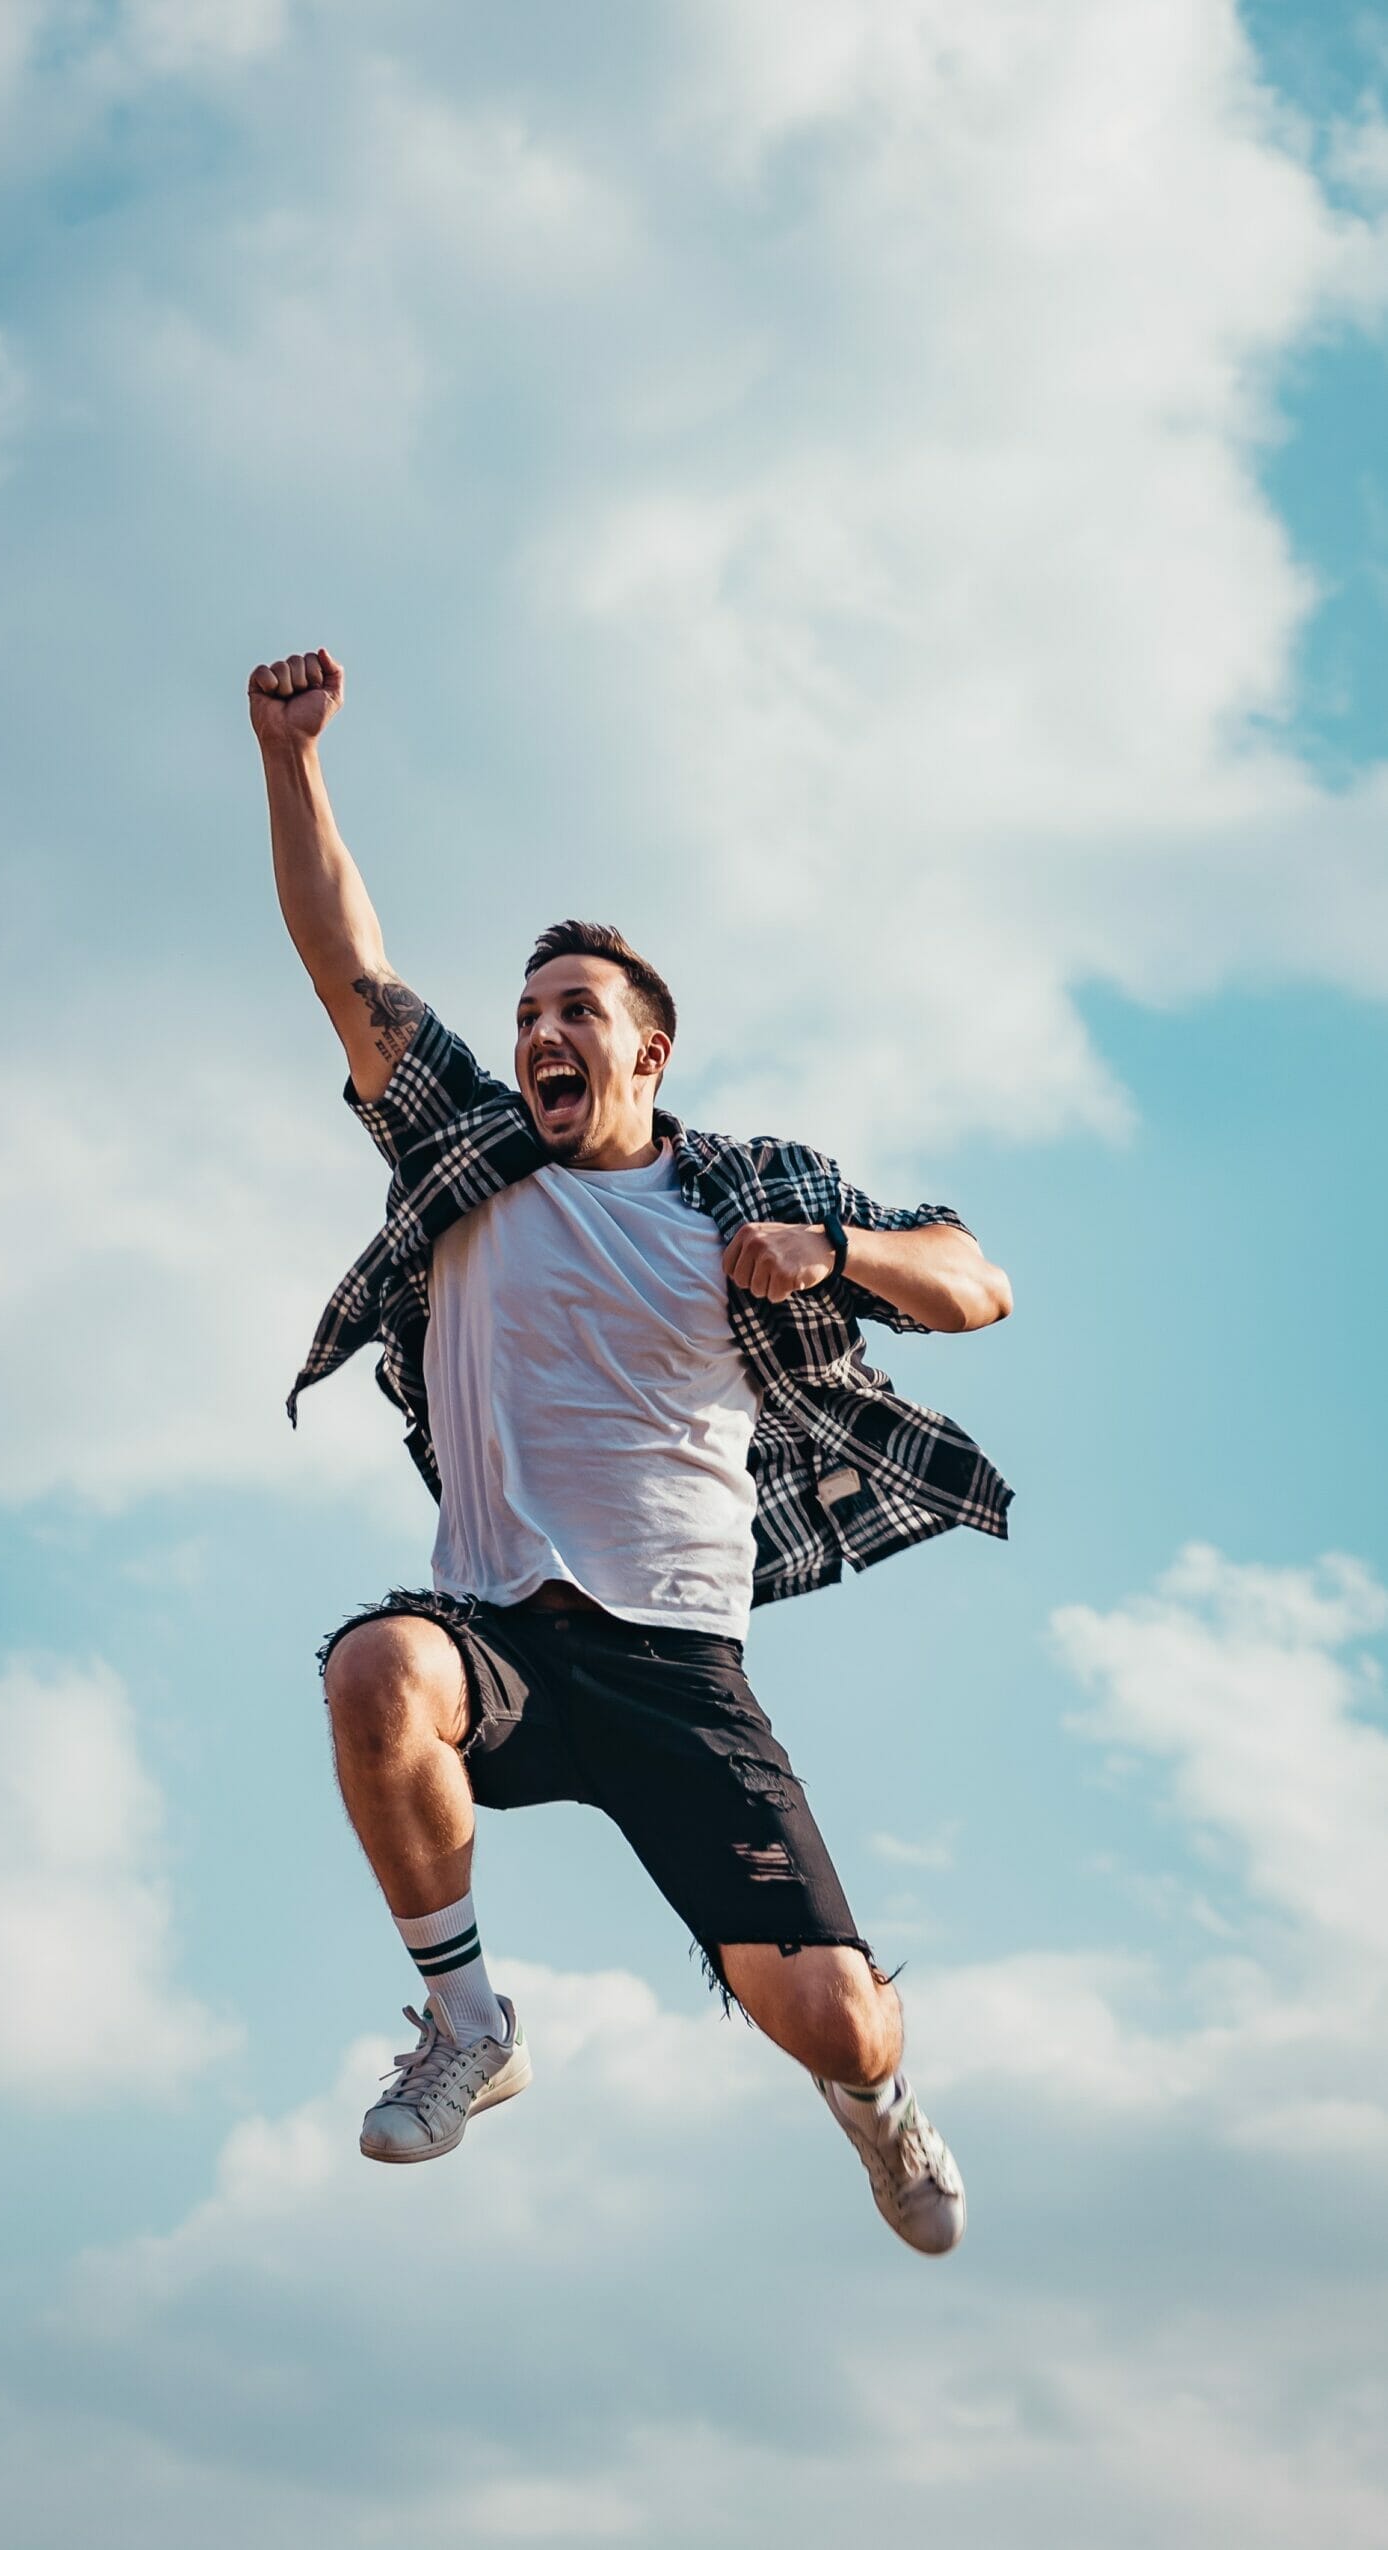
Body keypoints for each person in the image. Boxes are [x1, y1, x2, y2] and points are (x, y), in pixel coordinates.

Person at [251, 645, 1014, 2253]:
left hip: (680, 1667)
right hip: (502, 1634)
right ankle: (470, 2024)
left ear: (647, 1052)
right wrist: (292, 758)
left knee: (843, 2018)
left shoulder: (740, 1187)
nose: (539, 1031)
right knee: (377, 1669)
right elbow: (346, 963)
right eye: (527, 1010)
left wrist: (837, 1249)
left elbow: (976, 1279)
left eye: (574, 1011)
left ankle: (876, 2104)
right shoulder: (467, 1146)